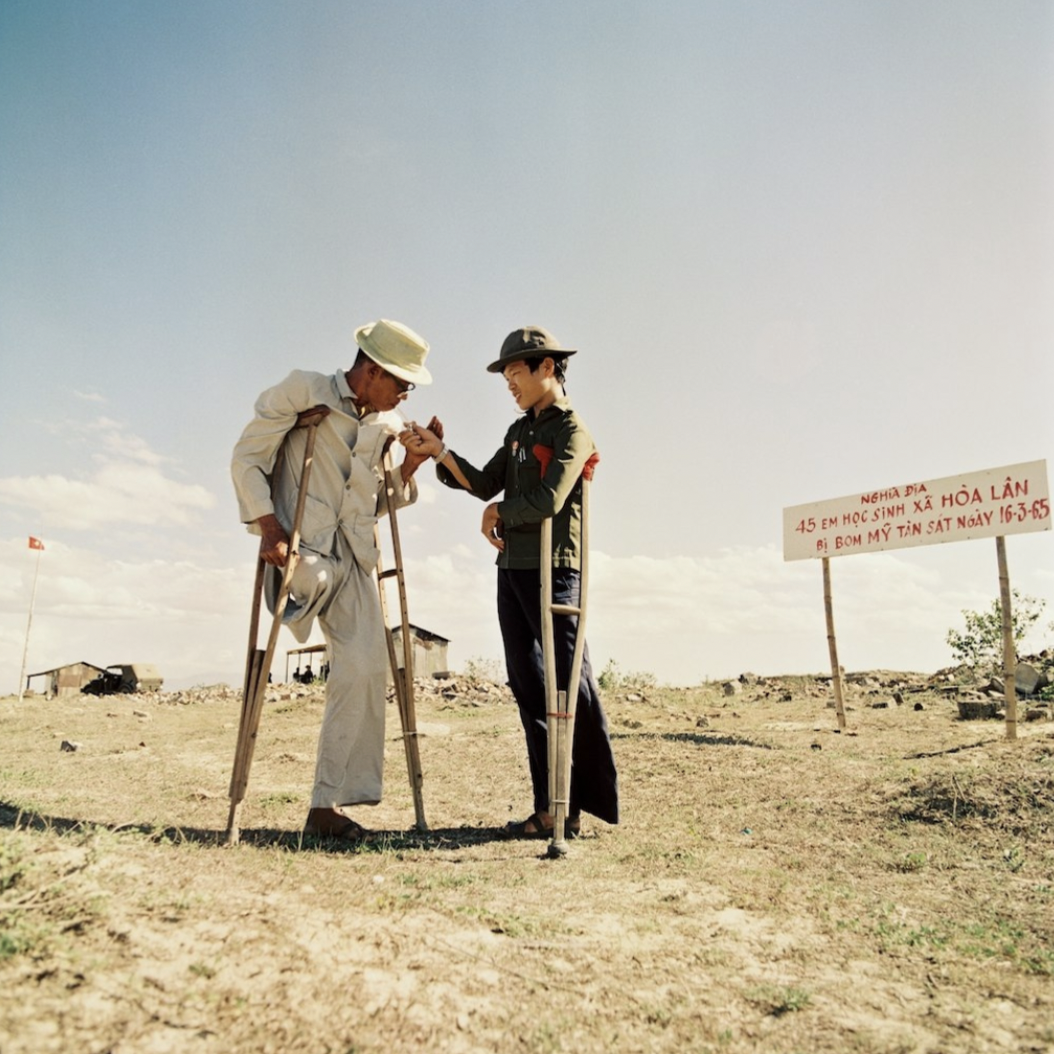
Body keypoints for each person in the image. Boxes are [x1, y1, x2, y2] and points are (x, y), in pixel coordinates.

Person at [407, 326, 619, 839]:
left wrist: (499, 511)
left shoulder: (572, 430)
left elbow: (548, 501)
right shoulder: (519, 431)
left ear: (547, 367)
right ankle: (549, 807)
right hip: (513, 571)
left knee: (570, 686)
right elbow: (483, 481)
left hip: (556, 571)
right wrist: (440, 452)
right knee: (528, 686)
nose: (510, 386)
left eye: (515, 375)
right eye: (505, 379)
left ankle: (586, 797)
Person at [231, 318, 436, 841]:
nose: (407, 392)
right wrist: (269, 527)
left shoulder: (385, 425)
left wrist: (408, 466)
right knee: (316, 581)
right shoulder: (306, 389)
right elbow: (247, 458)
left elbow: (376, 501)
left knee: (368, 665)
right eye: (401, 381)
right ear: (371, 370)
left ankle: (327, 806)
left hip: (352, 556)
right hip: (299, 552)